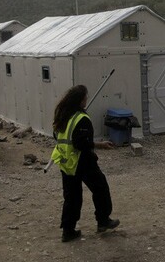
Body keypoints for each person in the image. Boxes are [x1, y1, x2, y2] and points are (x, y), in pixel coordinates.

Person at [51, 85, 120, 242]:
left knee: (72, 197)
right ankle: (103, 220)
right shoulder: (81, 119)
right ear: (81, 100)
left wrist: (96, 144)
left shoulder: (63, 115)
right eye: (85, 97)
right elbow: (81, 143)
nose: (86, 100)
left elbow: (59, 137)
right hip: (81, 162)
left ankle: (68, 231)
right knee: (100, 188)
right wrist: (96, 146)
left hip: (65, 161)